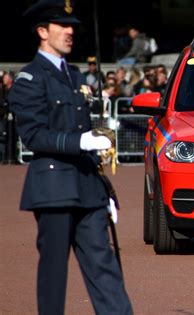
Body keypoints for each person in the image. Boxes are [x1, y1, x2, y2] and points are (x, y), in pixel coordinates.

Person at [8, 1, 133, 314]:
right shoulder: (30, 79)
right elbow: (34, 135)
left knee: (105, 268)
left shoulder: (75, 77)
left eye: (71, 25)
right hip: (53, 187)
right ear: (41, 31)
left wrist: (104, 189)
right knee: (54, 275)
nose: (69, 31)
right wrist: (81, 140)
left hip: (87, 187)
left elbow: (84, 131)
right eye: (61, 25)